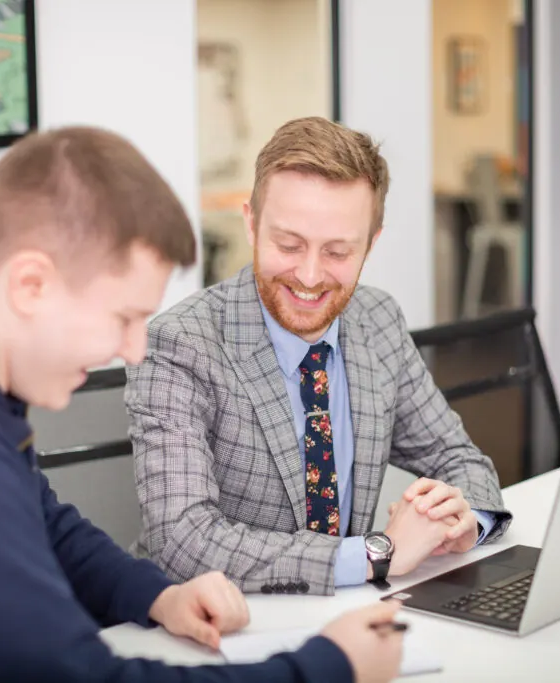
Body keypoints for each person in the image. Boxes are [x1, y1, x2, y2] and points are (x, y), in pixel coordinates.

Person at [0, 126, 404, 683]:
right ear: (30, 284)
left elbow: (38, 518)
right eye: (123, 317)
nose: (134, 349)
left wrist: (155, 593)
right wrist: (328, 667)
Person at [126, 117, 512, 597]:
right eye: (288, 245)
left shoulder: (378, 320)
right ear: (250, 222)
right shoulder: (180, 344)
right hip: (217, 626)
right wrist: (375, 554)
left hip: (347, 616)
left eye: (337, 252)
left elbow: (455, 456)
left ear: (371, 243)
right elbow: (182, 538)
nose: (309, 276)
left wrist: (464, 522)